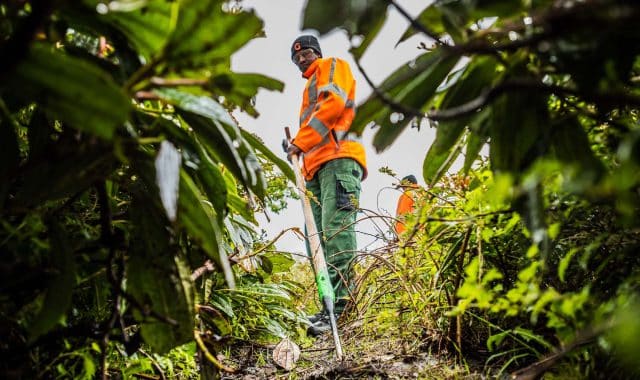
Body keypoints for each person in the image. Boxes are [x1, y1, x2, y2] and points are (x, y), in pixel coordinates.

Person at [286, 35, 367, 335]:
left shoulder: (332, 66)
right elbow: (313, 125)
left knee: (336, 233)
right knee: (316, 242)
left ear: (317, 53)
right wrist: (300, 154)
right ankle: (328, 307)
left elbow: (332, 104)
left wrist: (298, 142)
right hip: (317, 171)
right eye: (297, 58)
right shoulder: (307, 89)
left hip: (339, 161)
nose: (302, 60)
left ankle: (344, 309)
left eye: (306, 53)